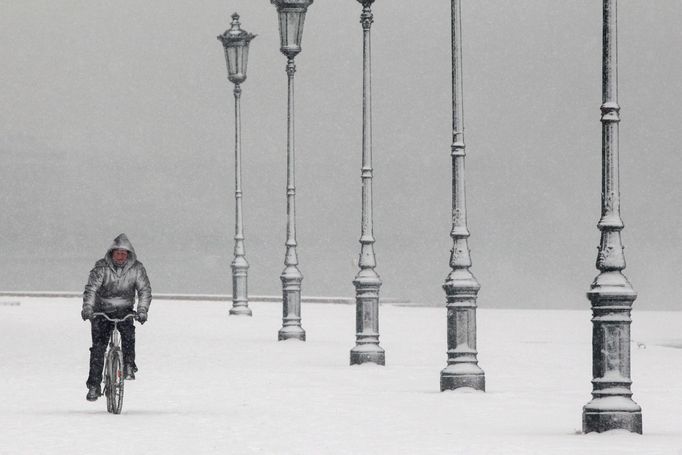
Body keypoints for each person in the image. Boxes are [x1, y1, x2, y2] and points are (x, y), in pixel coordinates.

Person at [81, 233, 152, 402]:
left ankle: (128, 365)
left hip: (124, 310)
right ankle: (94, 385)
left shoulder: (137, 269)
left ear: (129, 254)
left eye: (124, 253)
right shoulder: (101, 267)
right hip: (102, 311)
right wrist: (88, 307)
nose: (120, 256)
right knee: (98, 349)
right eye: (117, 253)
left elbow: (144, 290)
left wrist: (142, 310)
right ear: (112, 253)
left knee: (128, 336)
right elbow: (91, 289)